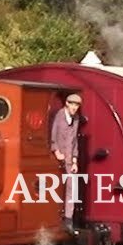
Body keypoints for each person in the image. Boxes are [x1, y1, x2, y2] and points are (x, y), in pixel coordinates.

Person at [50, 93, 82, 231]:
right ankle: (55, 218)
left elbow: (74, 141)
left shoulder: (76, 119)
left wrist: (75, 160)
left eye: (77, 105)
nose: (75, 108)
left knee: (71, 189)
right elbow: (52, 134)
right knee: (56, 188)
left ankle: (69, 219)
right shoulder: (59, 116)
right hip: (58, 157)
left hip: (69, 159)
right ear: (67, 104)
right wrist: (56, 150)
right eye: (73, 104)